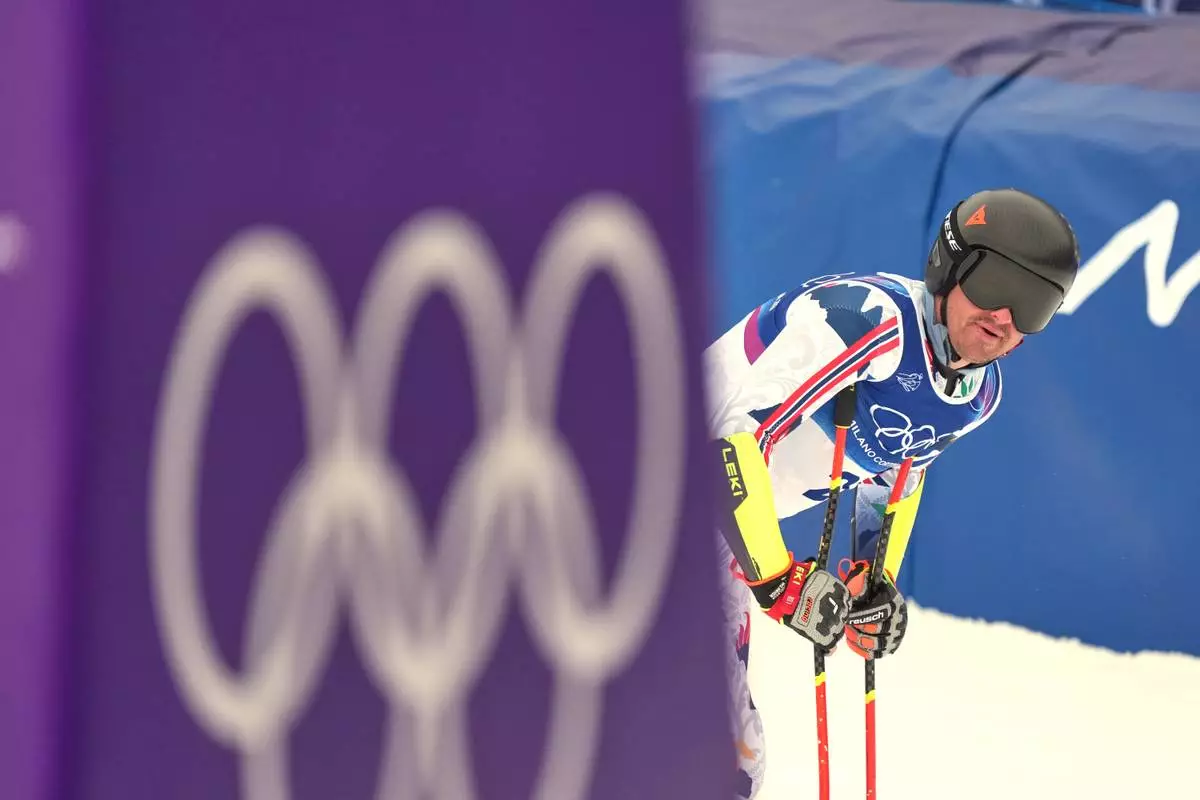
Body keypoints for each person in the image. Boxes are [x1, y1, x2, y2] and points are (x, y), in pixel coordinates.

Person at [706, 188, 1080, 798]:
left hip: (717, 539)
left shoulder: (976, 396)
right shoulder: (868, 323)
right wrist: (778, 581)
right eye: (994, 285)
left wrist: (871, 577)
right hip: (641, 491)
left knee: (732, 762)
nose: (1006, 317)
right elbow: (724, 440)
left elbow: (894, 471)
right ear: (949, 267)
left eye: (1036, 303)